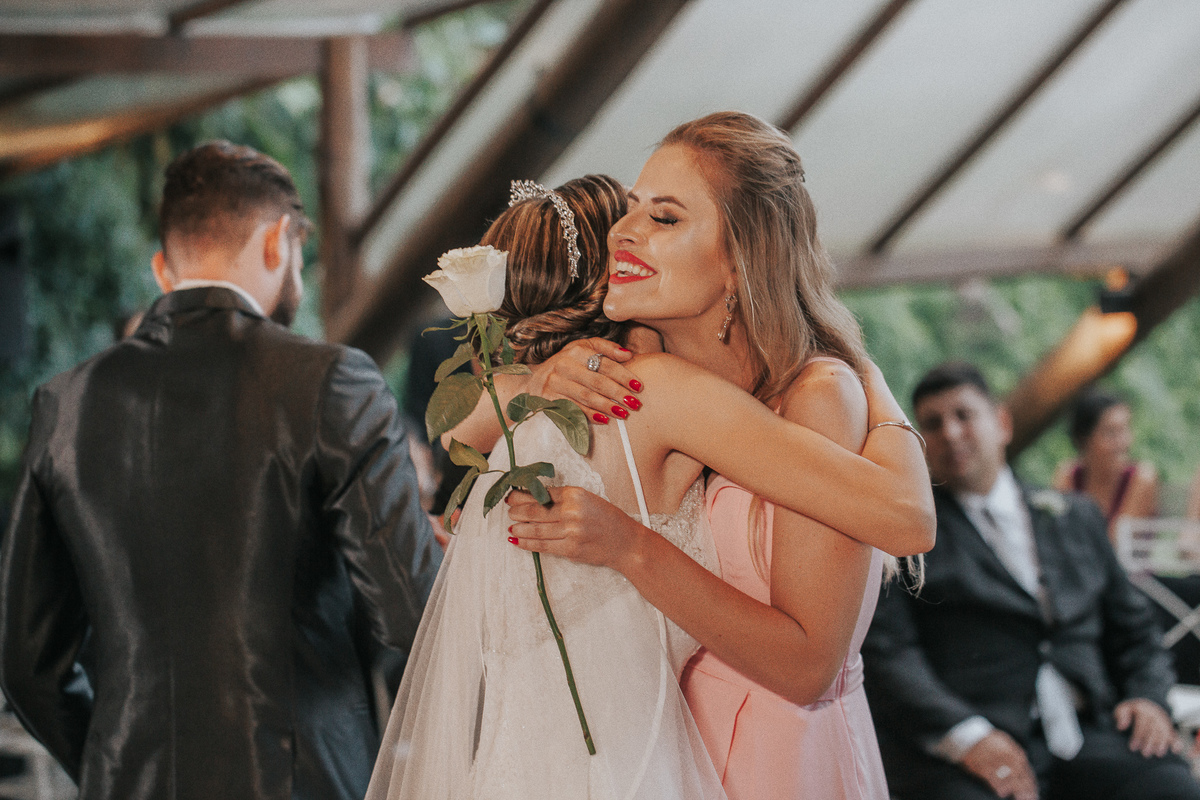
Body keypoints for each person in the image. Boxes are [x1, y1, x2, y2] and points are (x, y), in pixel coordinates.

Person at [369, 171, 932, 799]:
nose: (636, 241)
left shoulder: (518, 420)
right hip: (626, 772)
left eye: (661, 221)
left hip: (514, 768)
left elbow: (450, 431)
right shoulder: (652, 390)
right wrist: (865, 370)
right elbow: (906, 516)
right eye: (630, 226)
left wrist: (533, 379)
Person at [0, 141, 442, 800]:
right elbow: (411, 614)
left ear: (162, 269)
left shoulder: (66, 403)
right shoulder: (330, 383)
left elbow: (28, 661)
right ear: (277, 244)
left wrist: (112, 761)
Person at [506, 111, 926, 799]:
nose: (626, 232)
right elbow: (462, 432)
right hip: (658, 746)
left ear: (738, 260)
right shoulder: (638, 369)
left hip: (776, 754)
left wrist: (630, 547)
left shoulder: (818, 395)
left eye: (665, 218)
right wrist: (536, 381)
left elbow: (807, 667)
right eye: (632, 209)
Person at [862, 361, 1199, 800]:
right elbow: (891, 655)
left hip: (1095, 729)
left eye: (964, 415)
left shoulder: (1075, 515)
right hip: (977, 740)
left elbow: (1135, 630)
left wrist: (1149, 698)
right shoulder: (906, 535)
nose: (951, 432)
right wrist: (967, 737)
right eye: (933, 423)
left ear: (1001, 422)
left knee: (1170, 788)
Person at [1052, 387, 1158, 539]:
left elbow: (1116, 545)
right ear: (1084, 439)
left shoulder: (1142, 478)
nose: (1124, 442)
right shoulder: (1068, 475)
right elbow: (1058, 535)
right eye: (1111, 433)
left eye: (1125, 429)